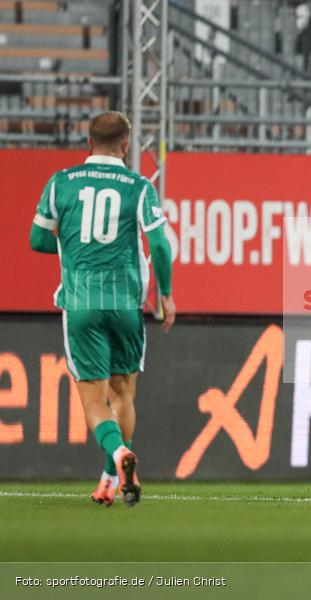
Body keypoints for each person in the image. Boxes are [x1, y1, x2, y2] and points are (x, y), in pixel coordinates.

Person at [29, 111, 176, 507]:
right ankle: (111, 478)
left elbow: (37, 239)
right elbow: (160, 245)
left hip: (81, 302)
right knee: (123, 396)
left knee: (94, 401)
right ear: (126, 146)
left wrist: (74, 245)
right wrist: (166, 294)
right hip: (126, 304)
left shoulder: (61, 182)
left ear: (88, 142)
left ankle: (118, 454)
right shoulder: (139, 187)